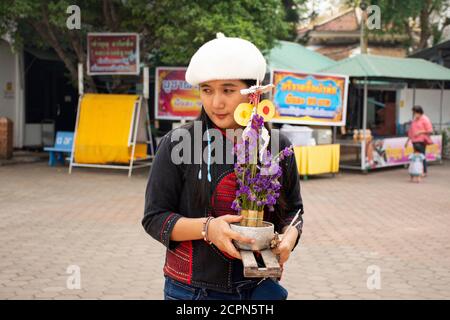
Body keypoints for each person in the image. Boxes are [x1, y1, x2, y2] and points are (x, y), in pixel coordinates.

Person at [142, 33, 303, 300]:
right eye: (207, 90)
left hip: (259, 288)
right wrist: (208, 229)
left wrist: (289, 238)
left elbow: (295, 211)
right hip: (192, 292)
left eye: (228, 90)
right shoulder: (177, 143)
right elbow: (154, 218)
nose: (216, 102)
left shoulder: (275, 145)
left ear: (253, 93)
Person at [405, 106, 433, 177]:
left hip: (421, 141)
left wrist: (420, 132)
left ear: (419, 112)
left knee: (421, 156)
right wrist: (407, 141)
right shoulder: (415, 120)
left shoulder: (425, 119)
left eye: (415, 113)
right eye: (414, 113)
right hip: (414, 140)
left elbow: (430, 131)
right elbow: (411, 131)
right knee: (416, 156)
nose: (414, 114)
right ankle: (417, 171)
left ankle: (424, 171)